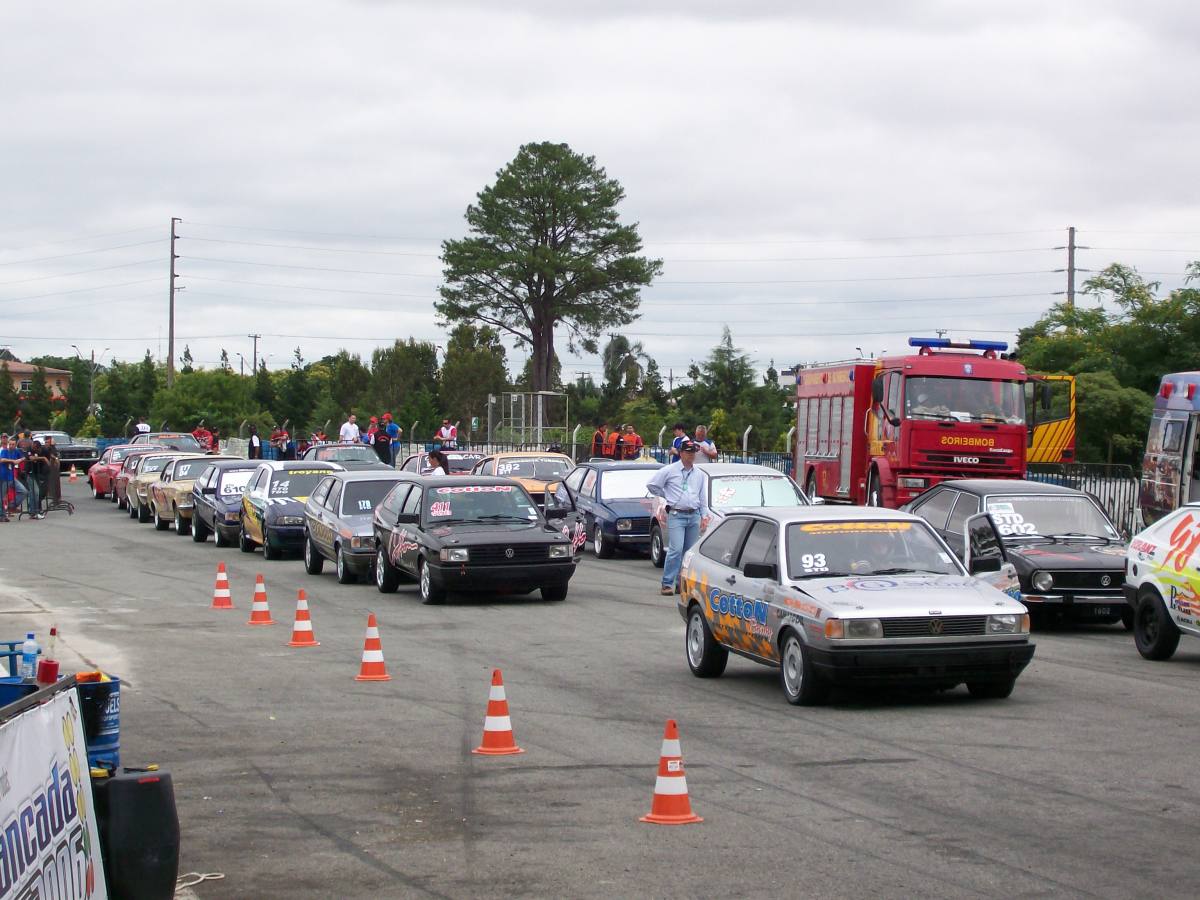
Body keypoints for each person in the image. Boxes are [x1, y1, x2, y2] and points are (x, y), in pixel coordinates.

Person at [646, 440, 711, 596]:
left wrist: (704, 516)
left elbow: (702, 498)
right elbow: (652, 485)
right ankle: (667, 583)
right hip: (677, 514)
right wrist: (667, 496)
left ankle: (681, 583)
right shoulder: (670, 470)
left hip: (693, 514)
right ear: (681, 453)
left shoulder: (699, 474)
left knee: (689, 553)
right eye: (688, 452)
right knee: (675, 549)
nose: (691, 456)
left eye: (693, 453)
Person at [0, 435, 22, 522]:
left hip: (11, 476)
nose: (12, 446)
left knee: (23, 491)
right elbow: (1, 460)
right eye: (10, 444)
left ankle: (11, 506)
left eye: (13, 444)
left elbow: (23, 456)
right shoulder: (4, 450)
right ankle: (2, 515)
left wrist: (21, 459)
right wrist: (13, 461)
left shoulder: (15, 451)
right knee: (2, 496)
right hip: (3, 476)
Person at [42, 436, 61, 503]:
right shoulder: (44, 448)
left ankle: (56, 499)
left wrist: (56, 459)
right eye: (45, 442)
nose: (46, 443)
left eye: (48, 442)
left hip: (53, 468)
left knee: (55, 484)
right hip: (46, 468)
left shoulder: (53, 448)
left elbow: (55, 456)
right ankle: (53, 497)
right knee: (49, 484)